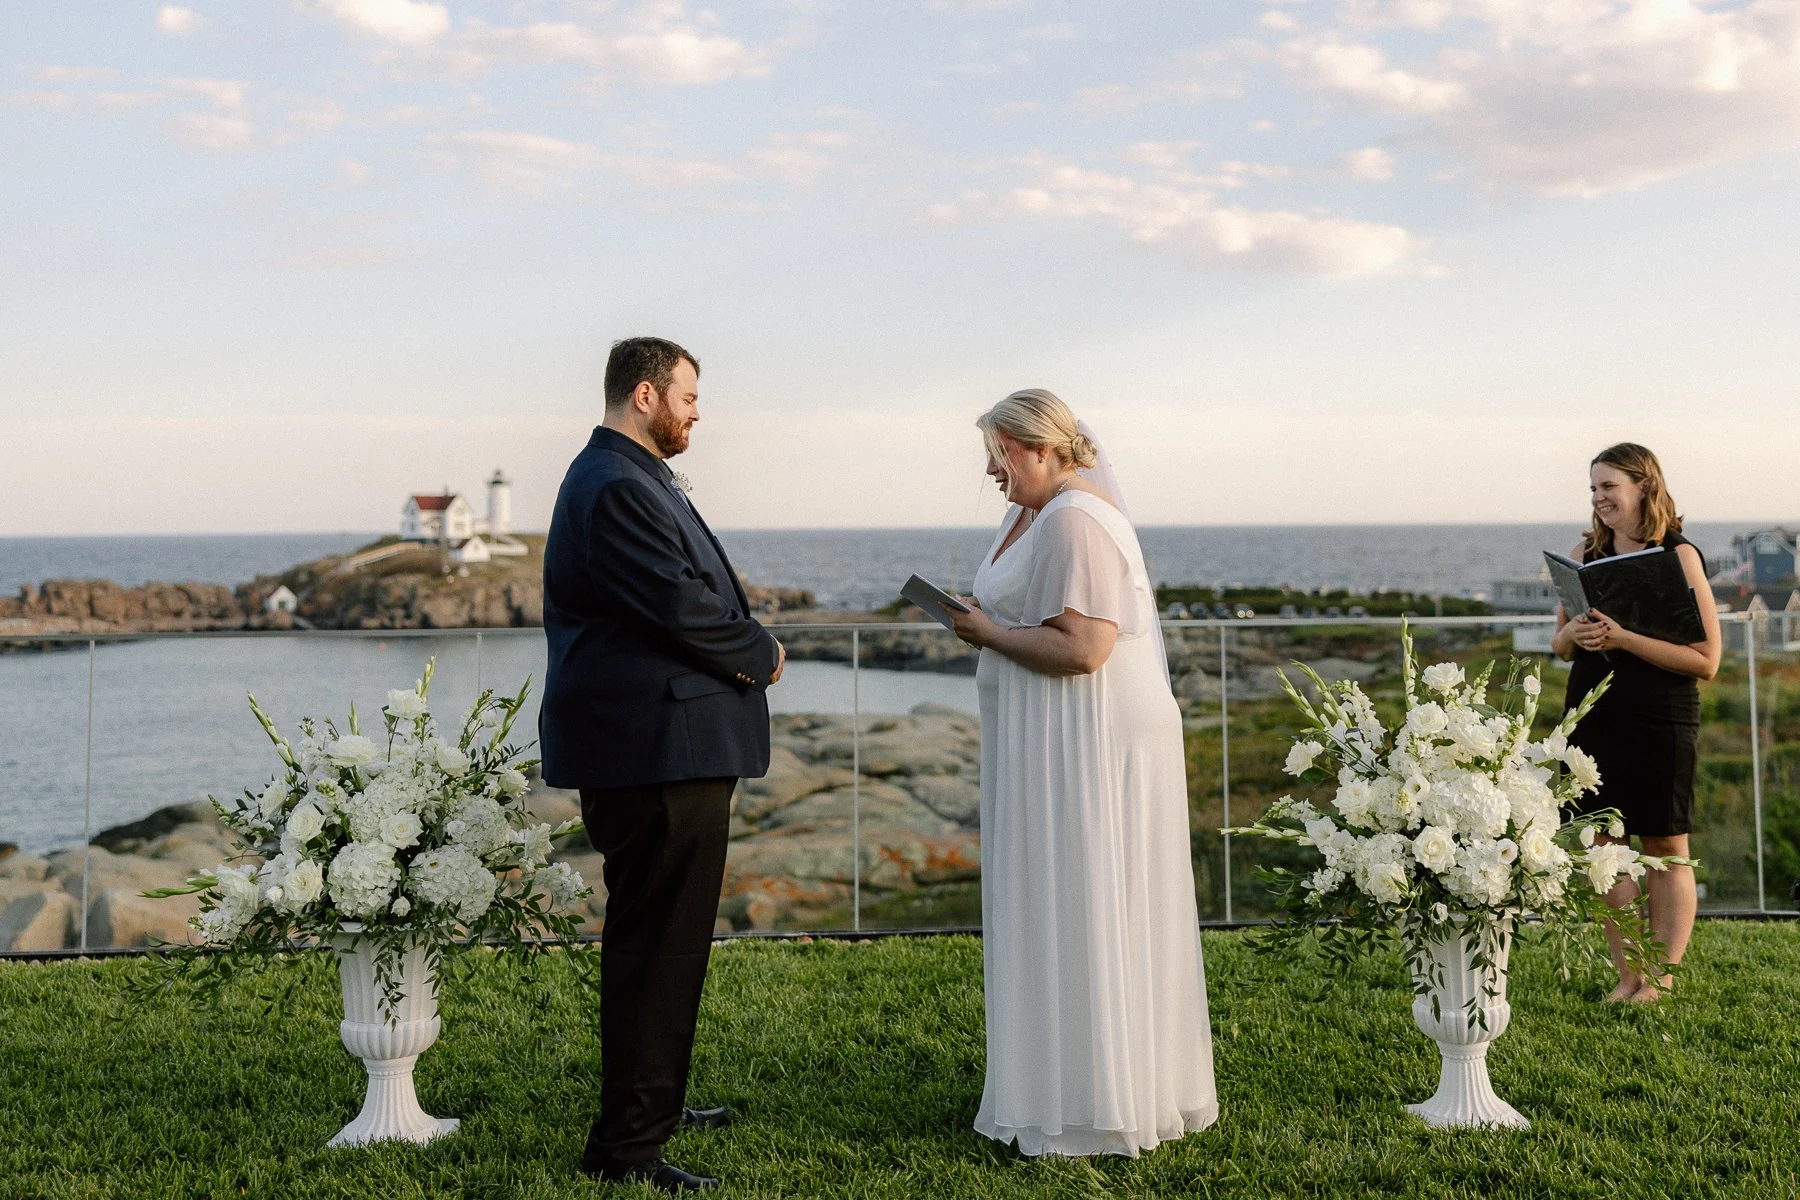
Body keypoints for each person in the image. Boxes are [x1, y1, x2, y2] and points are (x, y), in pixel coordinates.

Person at [943, 389, 1218, 1157]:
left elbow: (1083, 649)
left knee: (1087, 896)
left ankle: (1098, 1102)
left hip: (1088, 741)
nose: (992, 472)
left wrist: (984, 632)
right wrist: (983, 619)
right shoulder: (1036, 516)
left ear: (1038, 448)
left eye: (999, 455)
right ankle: (1063, 1080)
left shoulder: (1076, 518)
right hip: (1052, 736)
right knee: (1062, 896)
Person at [541, 336, 785, 1192]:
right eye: (686, 396)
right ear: (645, 395)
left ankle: (655, 1103)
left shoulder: (628, 476)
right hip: (653, 752)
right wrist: (760, 652)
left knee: (665, 943)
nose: (695, 413)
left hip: (661, 746)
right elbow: (678, 606)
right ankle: (627, 1150)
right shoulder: (613, 485)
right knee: (658, 946)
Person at [1552, 442, 1720, 1005]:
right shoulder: (1584, 552)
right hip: (1593, 716)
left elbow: (1707, 660)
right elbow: (1560, 644)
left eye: (1609, 487)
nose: (1599, 499)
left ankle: (1661, 980)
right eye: (1594, 488)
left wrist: (1624, 639)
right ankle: (1629, 977)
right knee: (1605, 848)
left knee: (1665, 846)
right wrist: (1574, 636)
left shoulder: (1679, 556)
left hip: (1661, 716)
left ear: (1644, 485)